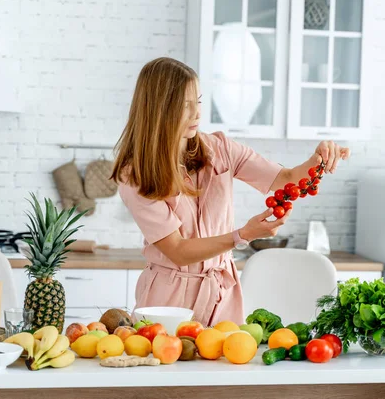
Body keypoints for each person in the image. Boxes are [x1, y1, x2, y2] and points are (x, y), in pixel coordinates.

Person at [110, 57, 349, 327]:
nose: (196, 113)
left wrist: (317, 159)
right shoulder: (135, 174)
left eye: (198, 101)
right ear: (158, 109)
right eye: (184, 105)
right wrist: (242, 235)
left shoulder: (221, 149)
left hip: (221, 297)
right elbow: (177, 250)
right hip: (167, 301)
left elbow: (285, 179)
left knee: (224, 364)